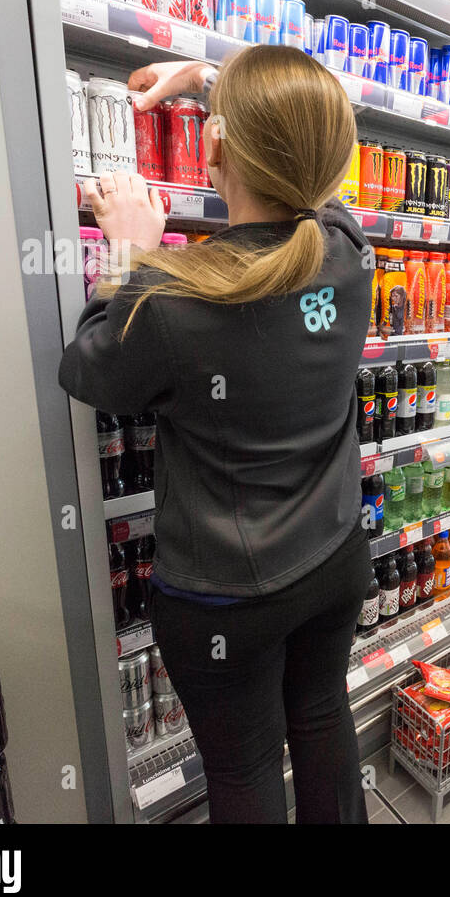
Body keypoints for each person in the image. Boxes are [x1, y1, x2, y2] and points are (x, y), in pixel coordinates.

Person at [59, 47, 371, 824]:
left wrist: (128, 253)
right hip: (333, 558)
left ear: (214, 150)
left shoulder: (171, 295)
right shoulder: (348, 251)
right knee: (325, 722)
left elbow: (89, 372)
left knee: (246, 771)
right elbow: (308, 164)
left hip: (226, 596)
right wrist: (207, 82)